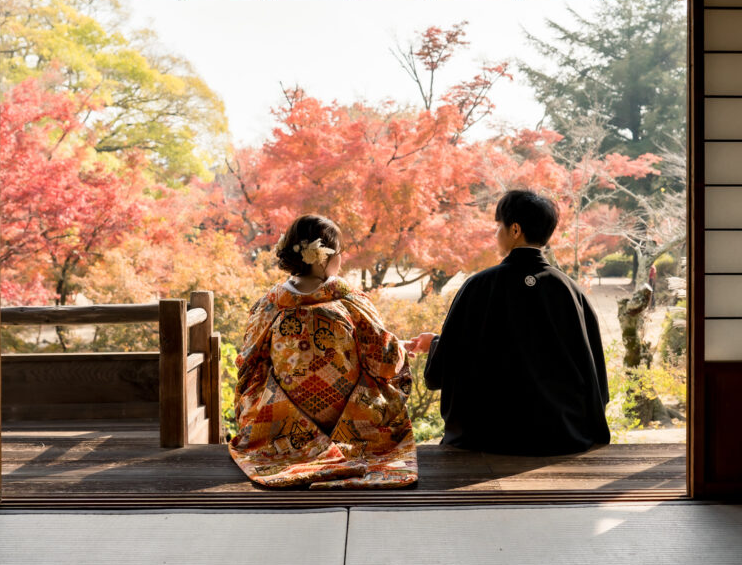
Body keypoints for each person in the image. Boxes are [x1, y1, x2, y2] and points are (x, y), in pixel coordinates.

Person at [406, 189, 610, 456]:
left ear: (515, 230)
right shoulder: (571, 291)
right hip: (561, 435)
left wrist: (435, 344)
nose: (495, 235)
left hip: (488, 436)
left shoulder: (479, 286)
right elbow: (594, 376)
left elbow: (447, 365)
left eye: (498, 227)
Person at [229, 214, 418, 489]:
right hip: (353, 422)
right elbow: (385, 360)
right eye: (339, 252)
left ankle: (299, 445)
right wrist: (400, 348)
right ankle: (345, 443)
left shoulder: (270, 305)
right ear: (320, 257)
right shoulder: (350, 300)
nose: (341, 259)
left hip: (283, 425)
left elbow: (248, 364)